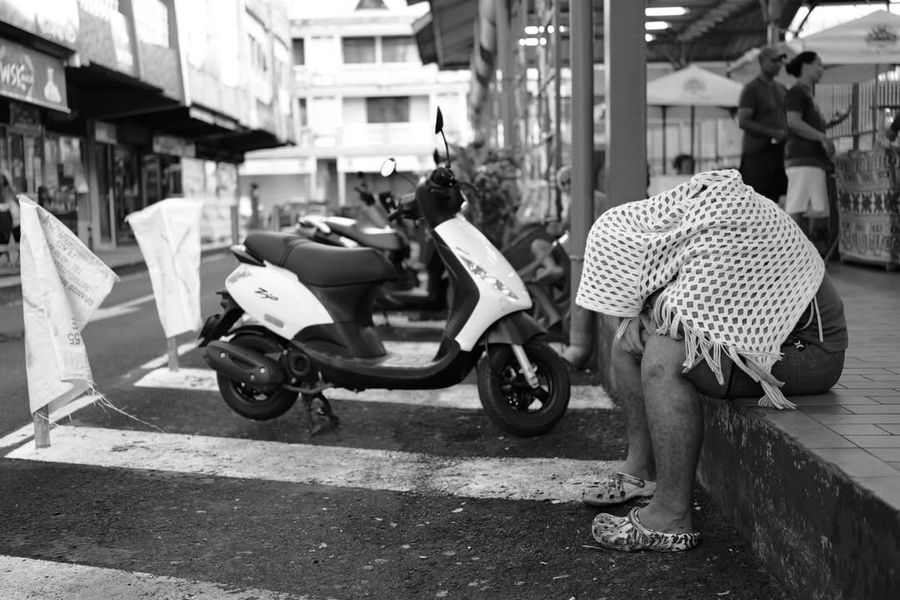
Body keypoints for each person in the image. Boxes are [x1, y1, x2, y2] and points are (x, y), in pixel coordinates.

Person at [574, 169, 848, 552]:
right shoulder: (688, 224)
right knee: (627, 345)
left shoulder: (720, 228)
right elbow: (680, 311)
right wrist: (632, 318)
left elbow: (686, 320)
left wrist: (643, 315)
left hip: (808, 351)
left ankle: (670, 516)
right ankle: (642, 469)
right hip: (774, 339)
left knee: (663, 357)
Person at [783, 51, 848, 243]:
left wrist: (832, 123)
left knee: (813, 209)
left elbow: (805, 124)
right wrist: (821, 137)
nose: (822, 69)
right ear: (806, 66)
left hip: (812, 160)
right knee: (798, 207)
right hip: (803, 158)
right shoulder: (797, 91)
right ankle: (793, 252)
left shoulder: (807, 94)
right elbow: (793, 121)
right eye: (818, 64)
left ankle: (806, 252)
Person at [737, 46, 789, 203]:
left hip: (778, 153)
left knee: (774, 200)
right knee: (755, 201)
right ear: (761, 62)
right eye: (773, 61)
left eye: (780, 61)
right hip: (757, 154)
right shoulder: (751, 89)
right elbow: (743, 121)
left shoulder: (781, 88)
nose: (778, 64)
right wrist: (773, 133)